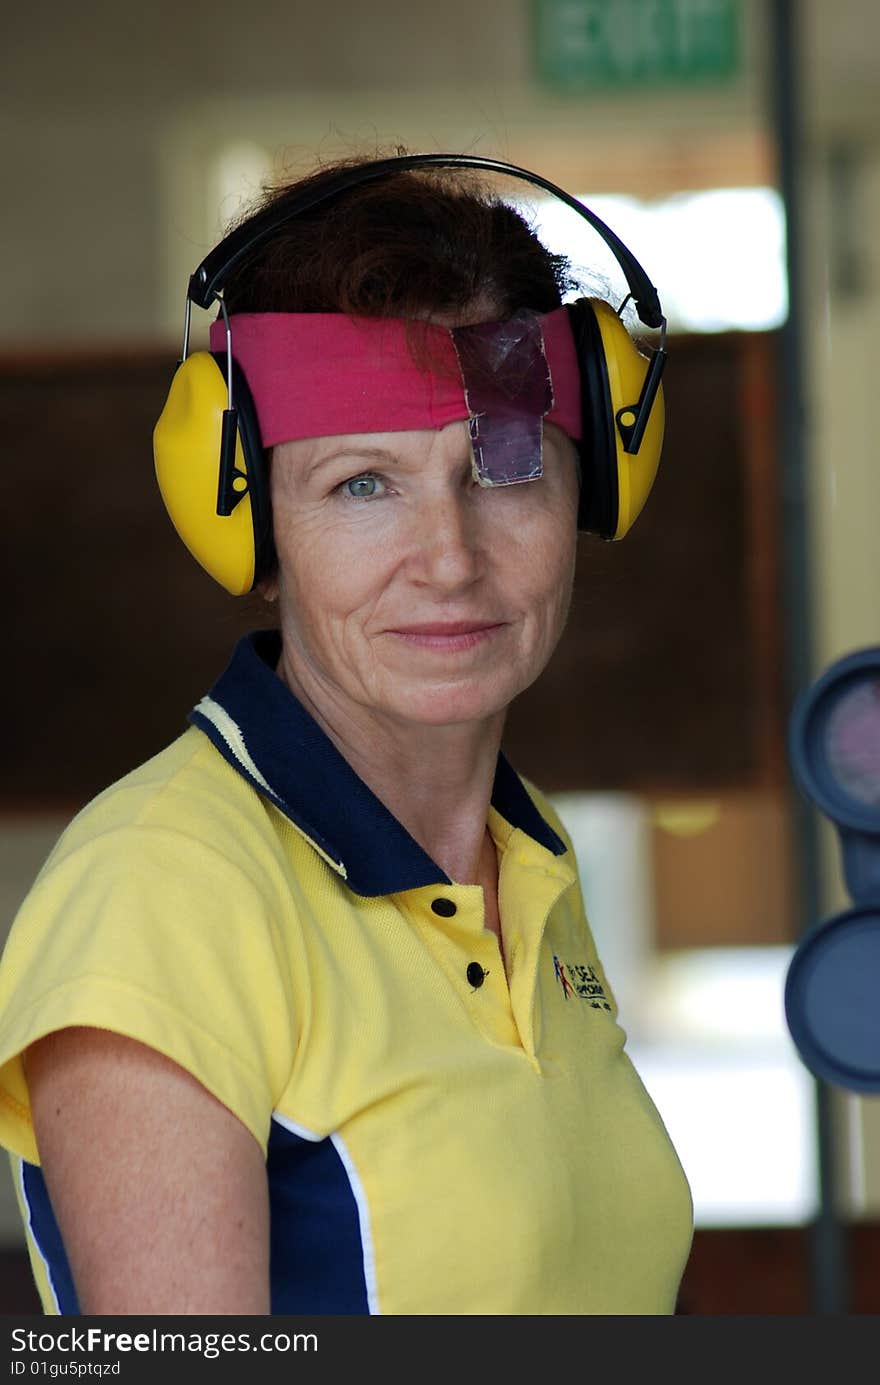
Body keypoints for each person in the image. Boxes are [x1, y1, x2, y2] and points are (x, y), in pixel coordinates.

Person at [0, 150, 693, 1315]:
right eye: (361, 485)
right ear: (250, 526)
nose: (450, 557)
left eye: (504, 467)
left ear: (596, 487)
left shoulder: (524, 860)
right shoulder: (162, 894)